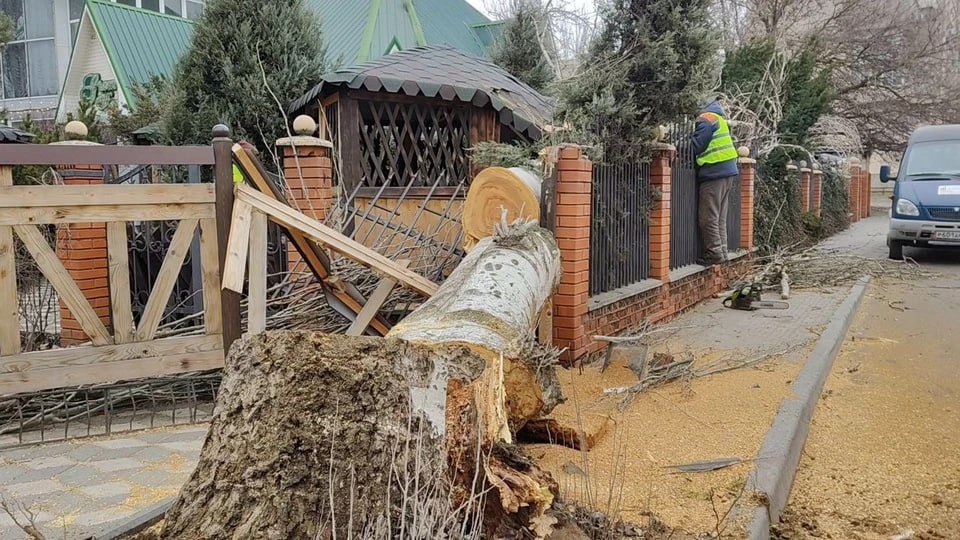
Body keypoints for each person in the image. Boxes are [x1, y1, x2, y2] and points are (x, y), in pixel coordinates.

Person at [690, 98, 740, 266]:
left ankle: (714, 254)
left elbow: (697, 145)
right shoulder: (718, 118)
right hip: (727, 171)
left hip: (714, 171)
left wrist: (678, 146)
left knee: (708, 217)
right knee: (719, 218)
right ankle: (723, 253)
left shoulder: (706, 118)